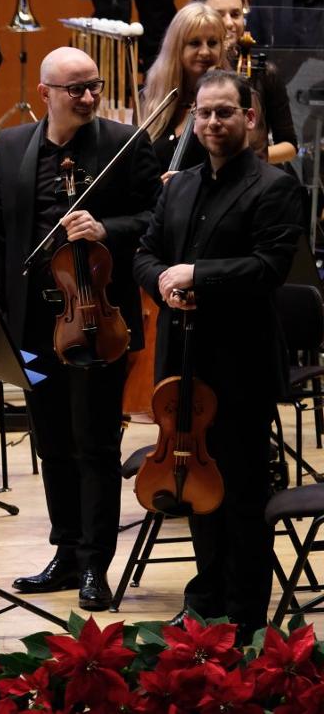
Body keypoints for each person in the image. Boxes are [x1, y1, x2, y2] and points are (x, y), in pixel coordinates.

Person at [0, 46, 159, 611]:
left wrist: (106, 227)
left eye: (94, 87)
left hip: (98, 322)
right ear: (45, 95)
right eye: (74, 89)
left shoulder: (124, 144)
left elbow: (157, 218)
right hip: (34, 325)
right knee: (52, 441)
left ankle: (96, 565)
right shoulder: (10, 147)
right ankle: (65, 551)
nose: (87, 98)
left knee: (96, 444)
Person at [133, 70, 302, 642]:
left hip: (241, 366)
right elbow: (146, 252)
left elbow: (268, 268)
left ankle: (248, 619)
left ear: (250, 117)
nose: (211, 123)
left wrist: (197, 275)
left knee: (242, 493)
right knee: (193, 488)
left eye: (224, 113)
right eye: (203, 114)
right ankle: (207, 607)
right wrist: (161, 280)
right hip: (183, 362)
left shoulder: (275, 187)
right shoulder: (177, 185)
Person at [192, 0, 298, 165]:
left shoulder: (262, 71)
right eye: (219, 15)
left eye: (235, 14)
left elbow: (289, 146)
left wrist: (247, 158)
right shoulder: (190, 71)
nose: (230, 23)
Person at [140, 2, 228, 175]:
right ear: (176, 49)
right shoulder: (150, 99)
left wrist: (186, 182)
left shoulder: (232, 103)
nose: (205, 52)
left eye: (212, 43)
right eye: (194, 43)